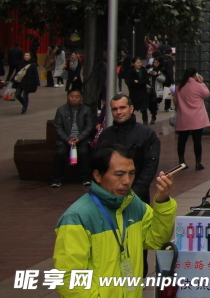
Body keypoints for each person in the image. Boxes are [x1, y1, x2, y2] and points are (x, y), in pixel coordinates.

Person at [53, 147, 177, 298]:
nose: (127, 182)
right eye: (119, 174)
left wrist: (162, 201)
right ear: (98, 175)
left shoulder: (133, 203)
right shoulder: (77, 217)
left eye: (131, 174)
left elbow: (156, 240)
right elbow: (68, 277)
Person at [95, 94, 161, 203]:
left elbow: (150, 165)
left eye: (122, 107)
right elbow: (98, 164)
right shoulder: (106, 135)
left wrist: (136, 192)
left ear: (131, 108)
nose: (118, 112)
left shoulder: (146, 133)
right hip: (109, 196)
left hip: (138, 196)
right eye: (115, 109)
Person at [51, 88, 94, 188]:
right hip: (65, 140)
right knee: (60, 153)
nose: (74, 99)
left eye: (77, 97)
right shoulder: (61, 110)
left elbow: (89, 126)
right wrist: (67, 139)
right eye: (72, 96)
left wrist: (79, 138)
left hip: (81, 139)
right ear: (68, 97)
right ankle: (56, 179)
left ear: (81, 98)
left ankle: (86, 178)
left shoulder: (86, 110)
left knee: (84, 152)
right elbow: (58, 127)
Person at [174, 67, 210, 170]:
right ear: (195, 75)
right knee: (197, 140)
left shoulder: (179, 87)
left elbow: (175, 102)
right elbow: (206, 94)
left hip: (183, 118)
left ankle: (181, 162)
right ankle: (198, 162)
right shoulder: (197, 86)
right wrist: (202, 82)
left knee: (182, 140)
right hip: (197, 118)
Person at [120, 57, 150, 124]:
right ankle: (130, 122)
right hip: (134, 93)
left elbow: (146, 80)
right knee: (132, 108)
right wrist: (137, 83)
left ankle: (145, 123)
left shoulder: (144, 70)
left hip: (143, 93)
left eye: (140, 62)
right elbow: (130, 82)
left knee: (144, 109)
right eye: (137, 63)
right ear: (133, 63)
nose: (139, 64)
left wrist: (139, 82)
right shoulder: (130, 71)